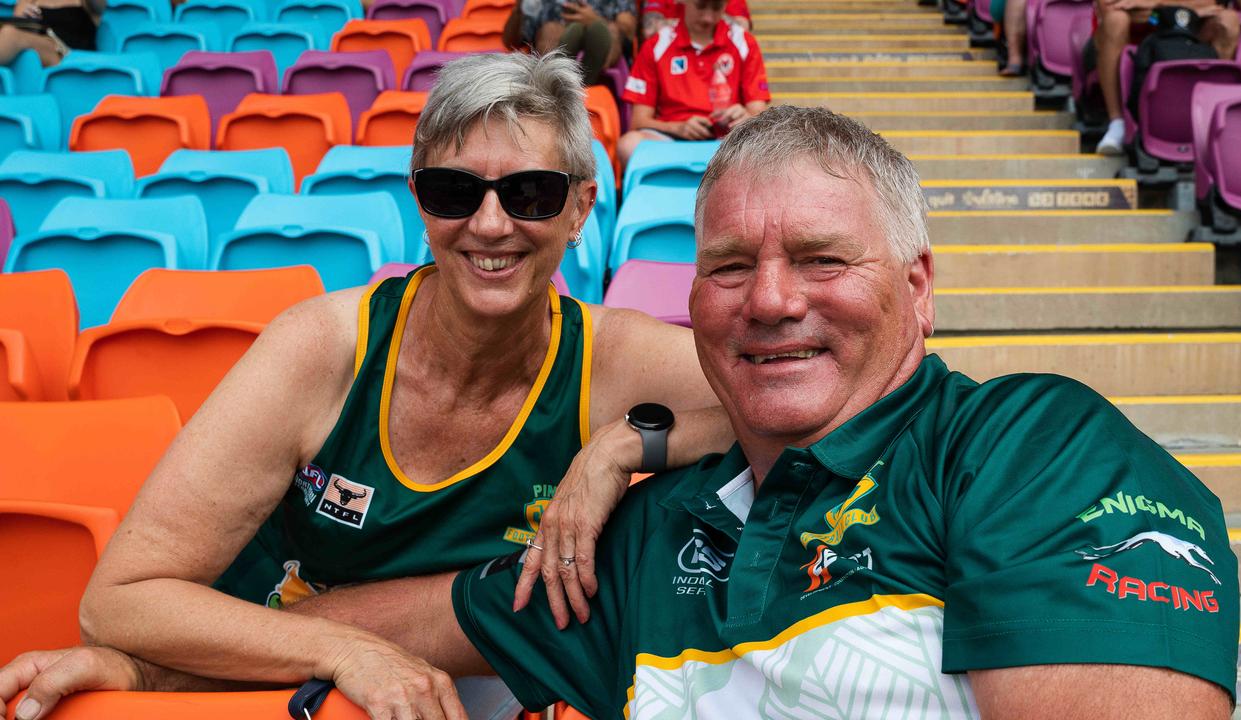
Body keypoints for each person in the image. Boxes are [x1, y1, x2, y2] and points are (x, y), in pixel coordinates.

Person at [1, 106, 1238, 720]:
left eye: (820, 259)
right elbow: (409, 622)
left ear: (917, 290)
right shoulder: (645, 542)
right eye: (726, 268)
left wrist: (617, 442)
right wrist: (135, 661)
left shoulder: (1026, 447)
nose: (768, 303)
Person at [0, 51, 737, 720]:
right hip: (275, 682)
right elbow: (121, 599)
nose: (489, 223)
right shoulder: (323, 347)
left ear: (579, 209)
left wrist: (623, 444)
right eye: (455, 191)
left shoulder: (614, 359)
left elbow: (827, 405)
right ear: (419, 199)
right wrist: (340, 652)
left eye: (531, 194)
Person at [617, 0, 770, 167]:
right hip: (672, 141)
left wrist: (744, 116)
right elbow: (638, 122)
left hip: (728, 141)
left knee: (768, 142)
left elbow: (759, 113)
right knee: (628, 145)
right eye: (700, 6)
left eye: (716, 8)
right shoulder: (656, 45)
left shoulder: (744, 43)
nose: (708, 18)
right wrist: (679, 128)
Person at [1093, 0, 1241, 154]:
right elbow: (1110, 6)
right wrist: (1178, 6)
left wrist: (1153, 3)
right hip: (1142, 28)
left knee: (1228, 20)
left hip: (1179, 28)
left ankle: (1211, 120)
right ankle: (1118, 123)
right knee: (1115, 20)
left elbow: (1210, 4)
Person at [502, 0, 635, 85]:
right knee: (551, 30)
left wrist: (595, 20)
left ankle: (583, 82)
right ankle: (555, 82)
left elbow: (629, 31)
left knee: (608, 30)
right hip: (551, 50)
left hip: (602, 66)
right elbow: (510, 42)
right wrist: (519, 8)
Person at [0, 0, 100, 67]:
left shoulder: (85, 2)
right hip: (42, 45)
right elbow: (18, 24)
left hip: (70, 53)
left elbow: (99, 6)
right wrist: (26, 17)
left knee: (10, 35)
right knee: (8, 32)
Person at [640, 0, 750, 40]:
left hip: (718, 60)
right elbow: (649, 30)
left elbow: (743, 28)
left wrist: (711, 5)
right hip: (669, 63)